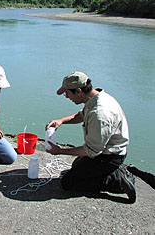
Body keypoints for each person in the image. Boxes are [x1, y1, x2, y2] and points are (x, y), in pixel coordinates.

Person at [45, 71, 136, 203]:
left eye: (67, 93)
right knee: (77, 165)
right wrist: (62, 120)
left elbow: (91, 150)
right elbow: (81, 115)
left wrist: (60, 151)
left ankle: (117, 180)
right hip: (102, 151)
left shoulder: (100, 113)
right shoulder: (94, 98)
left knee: (68, 183)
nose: (66, 96)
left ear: (78, 91)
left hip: (110, 156)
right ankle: (110, 172)